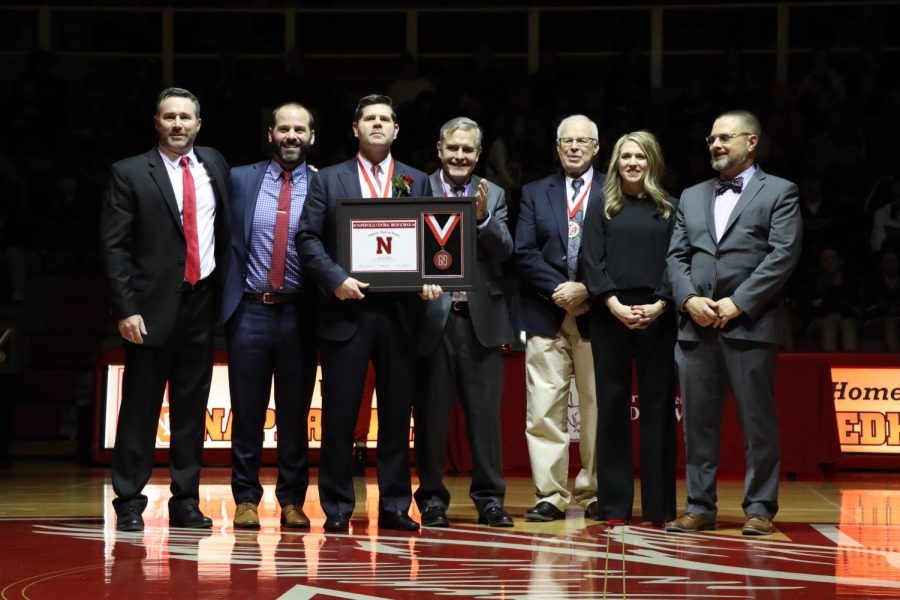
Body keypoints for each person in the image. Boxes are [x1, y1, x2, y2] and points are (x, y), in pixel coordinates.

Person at [297, 94, 437, 532]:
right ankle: (338, 508)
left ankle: (395, 505)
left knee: (396, 416)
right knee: (339, 416)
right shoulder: (330, 179)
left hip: (401, 314)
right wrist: (335, 278)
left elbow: (433, 239)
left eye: (385, 119)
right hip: (346, 311)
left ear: (397, 130)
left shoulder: (417, 179)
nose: (377, 125)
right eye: (369, 119)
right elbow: (307, 238)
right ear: (355, 129)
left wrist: (434, 276)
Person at [100, 87, 231, 532]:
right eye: (169, 117)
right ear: (157, 122)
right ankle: (130, 501)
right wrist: (126, 308)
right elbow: (114, 246)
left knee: (192, 409)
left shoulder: (214, 164)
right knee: (139, 407)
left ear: (199, 123)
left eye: (186, 118)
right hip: (150, 308)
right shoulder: (130, 172)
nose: (178, 125)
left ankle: (186, 500)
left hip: (202, 302)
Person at [666, 109, 801, 536]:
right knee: (698, 425)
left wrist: (737, 303)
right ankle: (700, 506)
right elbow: (676, 257)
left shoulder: (780, 191)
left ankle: (759, 507)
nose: (716, 145)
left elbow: (782, 256)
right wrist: (688, 299)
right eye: (711, 139)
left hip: (750, 324)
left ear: (752, 141)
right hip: (696, 325)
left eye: (725, 137)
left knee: (758, 424)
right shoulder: (690, 195)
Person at [220, 102, 319, 529]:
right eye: (284, 129)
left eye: (299, 129)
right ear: (270, 134)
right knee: (247, 411)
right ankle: (245, 497)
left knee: (295, 413)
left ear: (311, 137)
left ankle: (293, 500)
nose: (291, 136)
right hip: (250, 309)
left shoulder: (324, 183)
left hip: (301, 312)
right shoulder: (239, 179)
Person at [414, 117, 515, 528]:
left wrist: (482, 218)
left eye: (468, 150)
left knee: (485, 419)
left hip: (480, 321)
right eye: (453, 148)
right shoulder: (417, 188)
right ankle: (433, 500)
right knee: (432, 418)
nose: (460, 156)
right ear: (439, 149)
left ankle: (489, 499)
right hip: (430, 320)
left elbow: (505, 252)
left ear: (478, 153)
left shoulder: (494, 194)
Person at [581, 131, 677, 527]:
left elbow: (678, 260)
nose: (632, 163)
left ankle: (659, 507)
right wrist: (614, 304)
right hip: (611, 316)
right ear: (616, 163)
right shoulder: (601, 206)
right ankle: (614, 504)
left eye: (640, 156)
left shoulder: (670, 207)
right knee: (613, 409)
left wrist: (659, 303)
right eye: (625, 157)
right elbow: (591, 260)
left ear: (652, 161)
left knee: (658, 410)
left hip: (659, 316)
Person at [514, 114, 601, 522]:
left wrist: (587, 289)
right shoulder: (535, 192)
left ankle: (593, 490)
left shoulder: (612, 191)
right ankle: (550, 493)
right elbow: (524, 252)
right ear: (557, 146)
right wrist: (562, 292)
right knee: (543, 407)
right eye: (567, 140)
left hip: (596, 312)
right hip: (544, 311)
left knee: (596, 404)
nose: (574, 147)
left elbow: (617, 252)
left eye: (582, 141)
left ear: (596, 148)